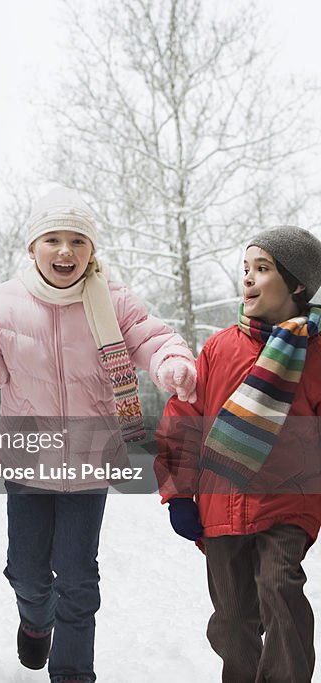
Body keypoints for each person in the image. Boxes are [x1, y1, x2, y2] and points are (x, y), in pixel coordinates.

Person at [0, 187, 196, 683]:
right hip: (28, 462)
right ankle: (35, 623)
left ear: (92, 251)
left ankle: (73, 673)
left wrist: (172, 364)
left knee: (78, 579)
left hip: (89, 460)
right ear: (32, 248)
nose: (65, 251)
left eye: (77, 241)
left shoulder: (114, 300)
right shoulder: (5, 302)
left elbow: (152, 337)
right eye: (53, 239)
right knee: (28, 574)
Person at [155, 226, 321, 683]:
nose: (247, 278)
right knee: (232, 619)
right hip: (221, 505)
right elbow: (183, 419)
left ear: (298, 285)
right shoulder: (220, 349)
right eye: (246, 268)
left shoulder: (316, 353)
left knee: (280, 585)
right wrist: (178, 493)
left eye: (262, 269)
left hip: (290, 502)